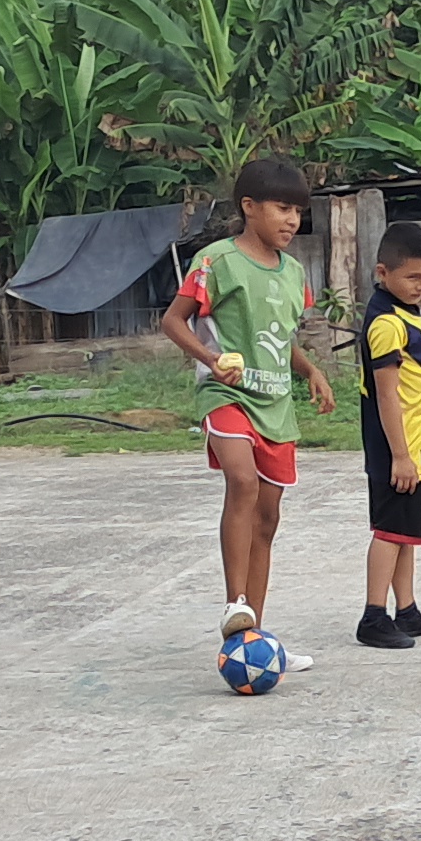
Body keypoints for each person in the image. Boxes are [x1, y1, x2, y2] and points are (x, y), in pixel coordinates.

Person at [161, 155, 338, 665]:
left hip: (276, 404)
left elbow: (281, 339)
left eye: (298, 211)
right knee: (242, 481)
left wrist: (312, 371)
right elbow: (173, 321)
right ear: (249, 207)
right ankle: (234, 603)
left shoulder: (295, 273)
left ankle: (251, 638)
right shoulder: (215, 261)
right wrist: (210, 360)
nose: (292, 220)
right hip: (227, 395)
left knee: (268, 518)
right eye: (282, 208)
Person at [355, 222, 421, 651]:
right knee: (389, 532)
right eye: (412, 277)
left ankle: (405, 608)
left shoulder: (405, 313)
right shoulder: (386, 324)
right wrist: (401, 456)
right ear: (383, 272)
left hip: (415, 447)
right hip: (399, 449)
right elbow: (386, 394)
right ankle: (374, 615)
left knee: (406, 533)